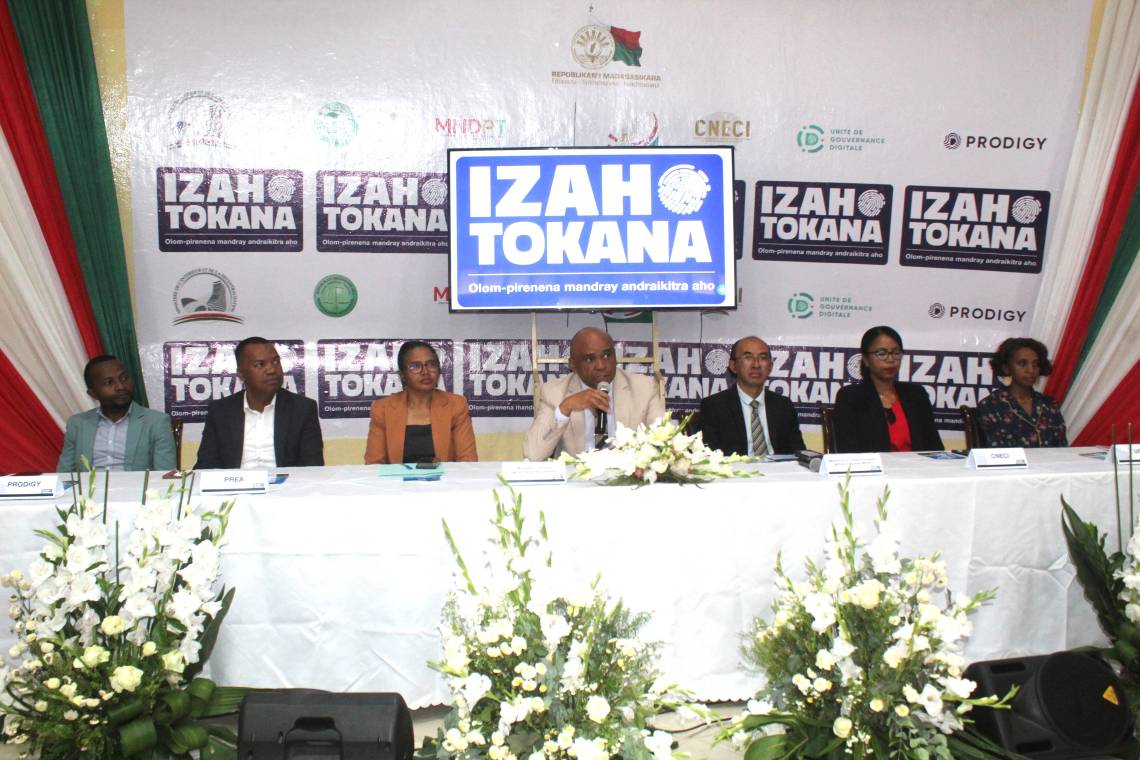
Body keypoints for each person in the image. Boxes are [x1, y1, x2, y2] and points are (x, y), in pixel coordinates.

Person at [523, 327, 665, 460]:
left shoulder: (644, 388)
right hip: (577, 476)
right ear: (573, 365)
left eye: (607, 355)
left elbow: (666, 445)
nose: (601, 366)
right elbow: (533, 454)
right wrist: (565, 409)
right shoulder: (554, 393)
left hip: (627, 475)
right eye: (590, 359)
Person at [195, 337, 324, 469]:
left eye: (275, 361)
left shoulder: (302, 409)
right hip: (237, 482)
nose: (272, 370)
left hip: (286, 482)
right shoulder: (220, 411)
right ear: (241, 374)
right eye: (259, 365)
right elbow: (205, 466)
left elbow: (312, 468)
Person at [833, 326, 943, 453]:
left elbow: (935, 447)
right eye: (882, 353)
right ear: (866, 360)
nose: (890, 360)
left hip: (916, 465)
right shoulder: (851, 397)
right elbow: (848, 450)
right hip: (875, 465)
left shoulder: (916, 394)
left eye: (896, 353)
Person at [57, 355, 177, 472]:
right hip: (90, 486)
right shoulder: (78, 424)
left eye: (124, 378)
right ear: (93, 393)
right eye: (109, 382)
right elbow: (64, 474)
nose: (120, 386)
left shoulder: (156, 422)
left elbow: (164, 475)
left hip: (134, 486)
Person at [364, 341, 477, 464]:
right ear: (402, 375)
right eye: (415, 366)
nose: (425, 371)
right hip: (397, 477)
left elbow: (468, 461)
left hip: (445, 477)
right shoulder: (383, 409)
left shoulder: (456, 405)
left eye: (431, 364)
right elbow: (374, 464)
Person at [698, 336, 805, 456]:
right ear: (733, 366)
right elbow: (709, 455)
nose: (756, 365)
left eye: (763, 358)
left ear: (770, 366)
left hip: (777, 467)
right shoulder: (714, 406)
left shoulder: (783, 405)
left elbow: (798, 451)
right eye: (748, 357)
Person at [975, 337, 1067, 447]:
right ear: (1006, 368)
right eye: (1022, 364)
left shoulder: (1049, 404)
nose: (1031, 370)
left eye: (1035, 364)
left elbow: (1062, 447)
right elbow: (995, 451)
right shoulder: (991, 405)